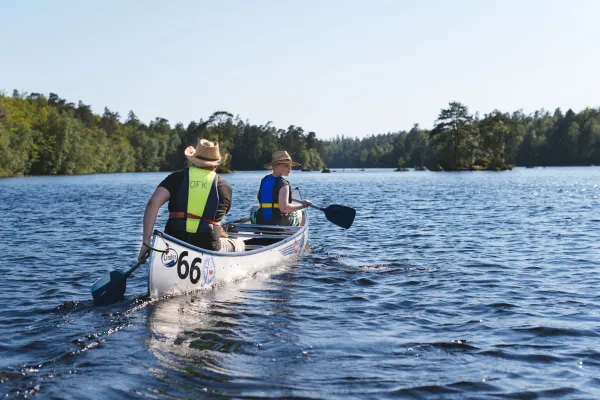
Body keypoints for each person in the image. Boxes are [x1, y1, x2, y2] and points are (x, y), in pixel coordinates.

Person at [138, 139, 244, 261]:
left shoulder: (175, 178)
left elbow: (153, 204)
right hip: (207, 245)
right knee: (239, 244)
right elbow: (220, 216)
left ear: (193, 161)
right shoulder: (225, 186)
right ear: (215, 165)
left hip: (174, 241)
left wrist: (146, 242)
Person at [253, 150, 312, 226]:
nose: (289, 168)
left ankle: (258, 232)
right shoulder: (283, 184)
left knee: (255, 208)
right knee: (301, 213)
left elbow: (260, 197)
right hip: (279, 223)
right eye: (286, 165)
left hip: (261, 221)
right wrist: (303, 205)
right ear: (276, 166)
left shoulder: (264, 180)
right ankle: (294, 235)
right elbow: (284, 209)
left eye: (290, 166)